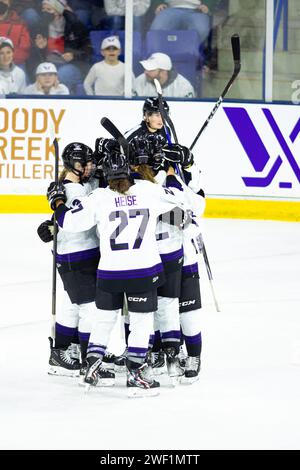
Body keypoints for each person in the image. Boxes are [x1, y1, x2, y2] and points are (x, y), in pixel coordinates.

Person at [47, 144, 185, 397]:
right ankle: (136, 373)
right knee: (142, 321)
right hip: (143, 271)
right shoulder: (146, 191)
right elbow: (179, 199)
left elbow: (67, 221)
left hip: (109, 273)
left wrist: (56, 200)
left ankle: (92, 367)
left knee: (104, 319)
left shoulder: (98, 197)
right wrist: (172, 170)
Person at [37, 142, 101, 378]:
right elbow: (69, 220)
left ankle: (62, 351)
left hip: (84, 253)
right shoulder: (68, 191)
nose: (91, 166)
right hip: (76, 255)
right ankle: (88, 359)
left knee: (75, 305)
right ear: (75, 165)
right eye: (87, 162)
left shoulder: (82, 186)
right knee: (89, 308)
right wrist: (51, 224)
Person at [41, 0, 92, 93]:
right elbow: (33, 55)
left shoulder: (74, 25)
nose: (45, 12)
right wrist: (40, 48)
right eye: (43, 9)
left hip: (72, 65)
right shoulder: (40, 26)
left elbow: (88, 50)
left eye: (49, 9)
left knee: (62, 74)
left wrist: (73, 55)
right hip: (48, 65)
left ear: (58, 11)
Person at [150, 1, 220, 45]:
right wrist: (158, 3)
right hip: (170, 8)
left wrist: (207, 4)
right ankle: (166, 59)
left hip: (197, 9)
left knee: (200, 30)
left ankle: (186, 55)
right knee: (156, 30)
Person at [0, 0, 31, 64]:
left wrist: (7, 59)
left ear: (9, 2)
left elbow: (24, 48)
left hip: (14, 63)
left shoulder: (19, 22)